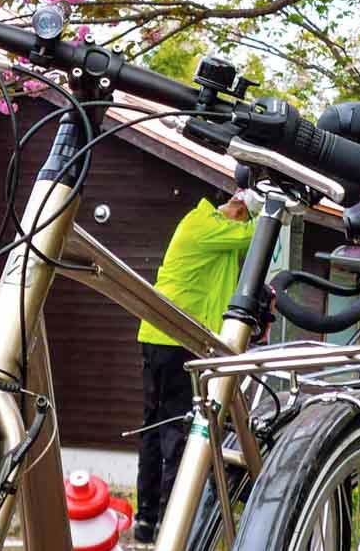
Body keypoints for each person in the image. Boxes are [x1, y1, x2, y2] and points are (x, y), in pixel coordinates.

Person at [133, 190, 255, 543]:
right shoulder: (205, 225)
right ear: (237, 207)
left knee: (154, 428)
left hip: (158, 335)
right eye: (245, 214)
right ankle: (173, 523)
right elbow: (256, 235)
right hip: (176, 340)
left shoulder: (206, 226)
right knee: (177, 431)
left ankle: (147, 521)